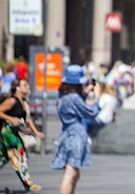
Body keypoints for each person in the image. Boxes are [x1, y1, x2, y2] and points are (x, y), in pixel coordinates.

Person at [0, 79, 45, 193]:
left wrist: (36, 132)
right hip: (7, 131)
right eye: (25, 85)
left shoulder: (24, 102)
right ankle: (28, 184)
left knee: (2, 157)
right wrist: (11, 119)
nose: (28, 87)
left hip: (14, 131)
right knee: (19, 154)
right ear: (17, 88)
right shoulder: (12, 100)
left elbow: (27, 119)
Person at [51, 64, 101, 194]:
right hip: (76, 135)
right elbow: (90, 112)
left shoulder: (62, 96)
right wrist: (96, 98)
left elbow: (75, 103)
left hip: (67, 133)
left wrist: (86, 92)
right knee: (70, 173)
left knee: (74, 173)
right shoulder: (73, 98)